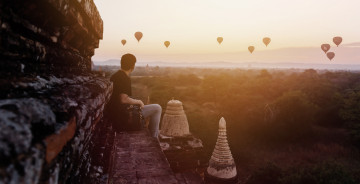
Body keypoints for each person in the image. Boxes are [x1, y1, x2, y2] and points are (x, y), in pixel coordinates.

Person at [109, 53, 161, 137]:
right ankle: (154, 137)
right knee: (157, 108)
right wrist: (139, 102)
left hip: (115, 115)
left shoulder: (114, 76)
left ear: (121, 63)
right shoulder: (125, 78)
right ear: (132, 66)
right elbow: (123, 99)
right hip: (123, 117)